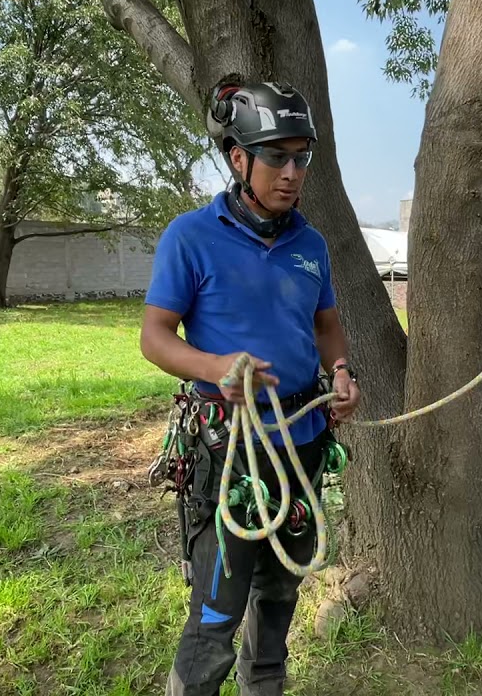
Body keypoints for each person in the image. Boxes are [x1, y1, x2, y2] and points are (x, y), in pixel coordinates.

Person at [139, 77, 362, 696]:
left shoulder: (311, 244)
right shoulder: (190, 236)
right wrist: (216, 368)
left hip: (303, 443)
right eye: (276, 156)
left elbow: (328, 327)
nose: (292, 173)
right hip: (230, 450)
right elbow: (155, 337)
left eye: (302, 157)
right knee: (217, 613)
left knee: (278, 597)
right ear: (238, 158)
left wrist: (342, 373)